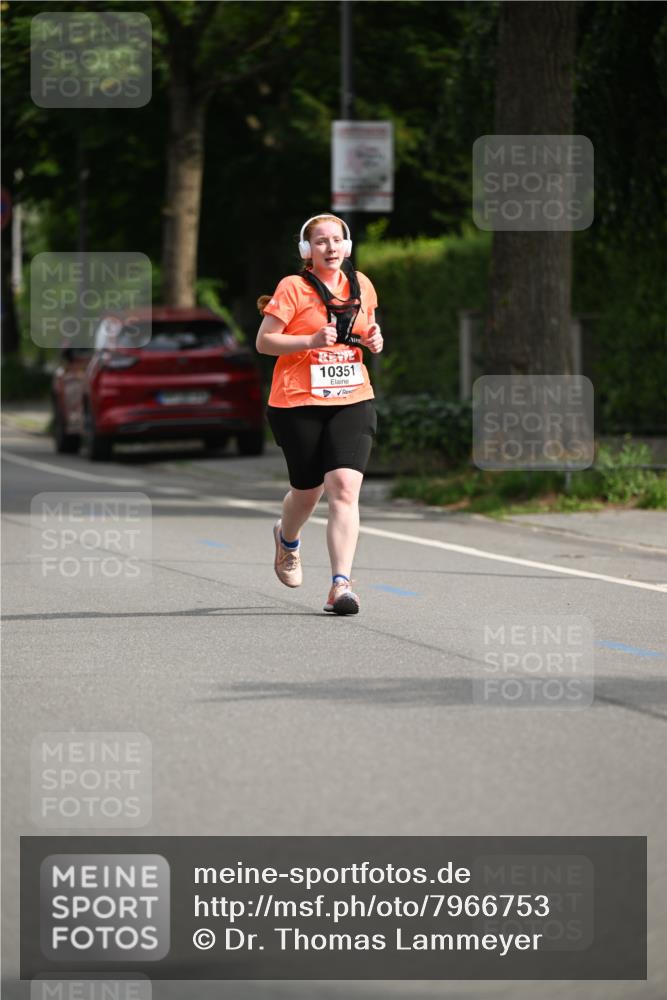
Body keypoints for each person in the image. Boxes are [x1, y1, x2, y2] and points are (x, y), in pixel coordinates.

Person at [256, 213, 383, 615]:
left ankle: (341, 585)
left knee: (344, 486)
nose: (330, 247)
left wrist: (374, 339)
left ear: (346, 246)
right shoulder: (292, 288)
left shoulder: (361, 284)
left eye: (336, 240)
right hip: (297, 401)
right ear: (306, 250)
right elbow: (264, 342)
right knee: (308, 491)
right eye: (320, 241)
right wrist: (309, 340)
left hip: (352, 396)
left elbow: (367, 330)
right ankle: (287, 539)